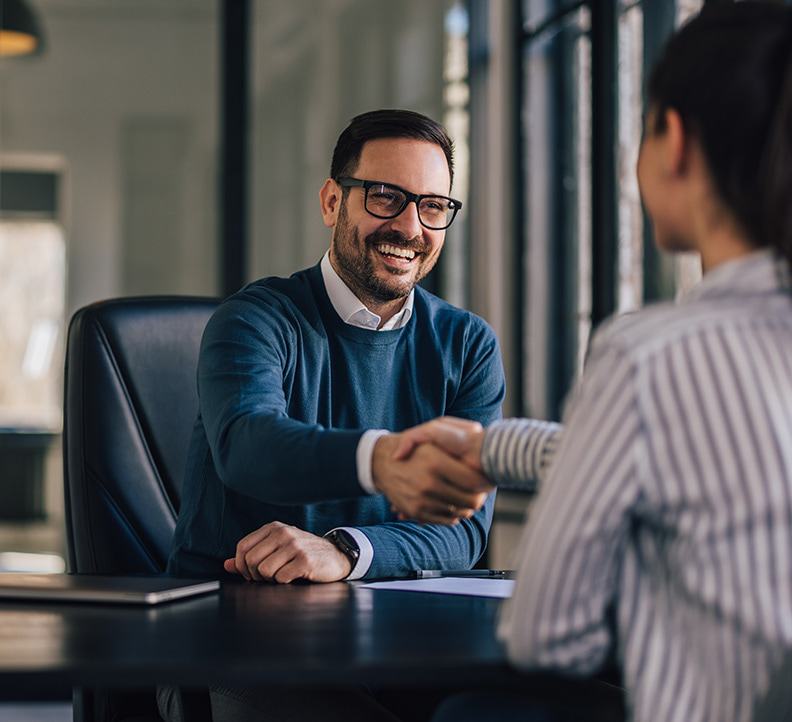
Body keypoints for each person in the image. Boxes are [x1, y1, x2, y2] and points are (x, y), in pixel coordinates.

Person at [395, 4, 792, 722]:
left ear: (673, 140)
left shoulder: (651, 356)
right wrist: (494, 448)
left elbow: (551, 633)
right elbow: (714, 458)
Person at [160, 108, 505, 721]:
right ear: (331, 202)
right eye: (384, 197)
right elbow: (248, 445)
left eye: (432, 206)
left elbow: (466, 529)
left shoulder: (468, 344)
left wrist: (346, 552)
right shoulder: (255, 320)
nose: (409, 226)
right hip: (233, 646)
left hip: (395, 644)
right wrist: (382, 463)